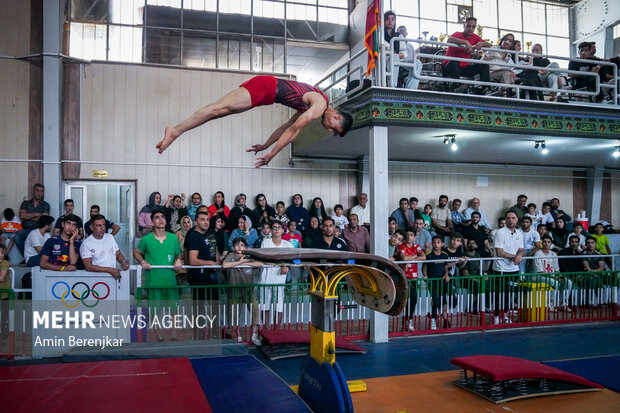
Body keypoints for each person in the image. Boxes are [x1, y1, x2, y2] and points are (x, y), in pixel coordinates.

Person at [157, 75, 353, 168]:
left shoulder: (316, 107)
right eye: (334, 129)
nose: (329, 130)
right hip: (266, 87)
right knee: (217, 109)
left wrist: (267, 144)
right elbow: (294, 131)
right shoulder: (319, 105)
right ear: (337, 117)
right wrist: (272, 154)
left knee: (219, 112)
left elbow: (286, 127)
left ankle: (176, 130)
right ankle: (175, 130)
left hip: (267, 93)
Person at [134, 209, 183, 341]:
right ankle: (158, 336)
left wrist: (178, 259)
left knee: (173, 310)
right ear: (152, 222)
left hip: (170, 280)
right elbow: (136, 252)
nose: (161, 219)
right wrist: (143, 261)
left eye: (163, 217)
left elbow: (179, 254)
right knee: (155, 311)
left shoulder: (173, 238)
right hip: (154, 281)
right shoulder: (146, 239)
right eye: (157, 217)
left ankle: (173, 335)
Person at [222, 237, 263, 345]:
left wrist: (246, 263)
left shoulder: (248, 256)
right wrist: (239, 263)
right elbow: (225, 265)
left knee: (255, 309)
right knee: (234, 313)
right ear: (233, 247)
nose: (239, 247)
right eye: (237, 245)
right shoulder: (230, 256)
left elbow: (260, 264)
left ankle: (254, 334)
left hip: (248, 289)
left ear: (245, 246)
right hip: (234, 288)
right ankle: (237, 335)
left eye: (241, 245)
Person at [186, 210, 220, 339]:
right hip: (199, 277)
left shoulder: (209, 234)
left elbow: (213, 250)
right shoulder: (193, 236)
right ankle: (199, 336)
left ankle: (215, 334)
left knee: (215, 307)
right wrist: (210, 263)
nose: (206, 222)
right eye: (202, 219)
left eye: (207, 219)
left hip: (212, 275)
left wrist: (215, 262)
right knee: (199, 309)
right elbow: (193, 260)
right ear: (196, 222)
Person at [442, 17, 491, 93]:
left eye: (473, 27)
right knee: (455, 61)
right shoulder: (457, 34)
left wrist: (482, 43)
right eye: (468, 26)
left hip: (464, 68)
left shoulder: (475, 37)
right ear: (464, 26)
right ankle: (457, 87)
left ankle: (486, 90)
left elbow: (489, 45)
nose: (470, 28)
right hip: (449, 67)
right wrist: (465, 42)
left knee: (484, 66)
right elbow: (449, 40)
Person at [259, 221, 294, 327]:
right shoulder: (265, 242)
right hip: (265, 279)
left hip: (279, 279)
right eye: (274, 227)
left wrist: (287, 266)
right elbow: (265, 258)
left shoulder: (288, 245)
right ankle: (265, 330)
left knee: (279, 307)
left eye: (279, 227)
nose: (277, 229)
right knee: (265, 306)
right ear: (270, 230)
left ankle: (276, 331)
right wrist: (282, 263)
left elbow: (292, 260)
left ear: (283, 230)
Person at [492, 211, 524, 325]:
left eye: (513, 218)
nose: (511, 220)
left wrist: (519, 255)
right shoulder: (500, 233)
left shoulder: (519, 233)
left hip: (514, 269)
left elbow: (521, 249)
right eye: (508, 218)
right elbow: (499, 252)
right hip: (501, 269)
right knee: (499, 293)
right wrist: (515, 257)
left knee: (509, 294)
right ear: (506, 220)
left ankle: (505, 316)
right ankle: (496, 316)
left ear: (517, 220)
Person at [80, 214, 130, 279]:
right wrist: (110, 270)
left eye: (104, 225)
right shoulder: (86, 244)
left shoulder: (110, 237)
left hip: (113, 277)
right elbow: (88, 266)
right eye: (98, 225)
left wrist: (123, 261)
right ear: (91, 227)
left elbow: (117, 253)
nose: (102, 228)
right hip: (96, 279)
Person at [531, 235, 572, 311]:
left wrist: (561, 277)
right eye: (545, 242)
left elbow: (557, 270)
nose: (546, 244)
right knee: (555, 283)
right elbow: (540, 271)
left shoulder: (553, 254)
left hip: (552, 276)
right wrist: (554, 277)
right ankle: (550, 304)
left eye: (548, 242)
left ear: (551, 244)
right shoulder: (538, 254)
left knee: (568, 282)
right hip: (539, 276)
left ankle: (563, 304)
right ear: (542, 243)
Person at [423, 236, 455, 331]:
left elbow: (445, 267)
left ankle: (445, 320)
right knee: (435, 301)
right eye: (434, 242)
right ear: (432, 244)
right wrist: (425, 276)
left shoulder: (444, 255)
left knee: (443, 301)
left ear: (442, 244)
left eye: (438, 242)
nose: (436, 244)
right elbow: (424, 267)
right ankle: (433, 319)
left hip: (442, 281)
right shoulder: (428, 255)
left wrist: (446, 275)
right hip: (432, 281)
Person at [397, 228, 426, 332]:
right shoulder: (401, 246)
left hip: (413, 277)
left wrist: (411, 257)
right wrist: (415, 256)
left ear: (414, 237)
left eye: (411, 235)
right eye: (407, 235)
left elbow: (423, 257)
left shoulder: (416, 246)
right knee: (404, 300)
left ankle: (409, 321)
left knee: (413, 299)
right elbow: (403, 258)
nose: (409, 237)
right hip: (403, 277)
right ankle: (404, 322)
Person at [14, 183, 50, 257]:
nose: (39, 193)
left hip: (38, 230)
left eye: (41, 191)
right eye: (37, 190)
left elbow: (44, 219)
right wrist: (37, 214)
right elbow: (22, 215)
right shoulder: (25, 203)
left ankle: (35, 258)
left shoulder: (45, 205)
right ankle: (26, 257)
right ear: (33, 191)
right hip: (26, 229)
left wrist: (28, 216)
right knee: (17, 237)